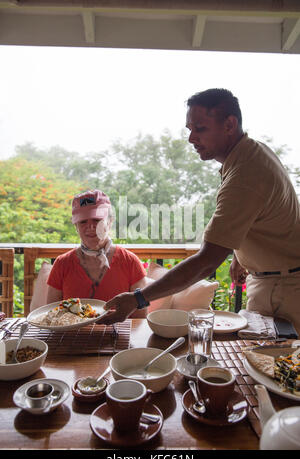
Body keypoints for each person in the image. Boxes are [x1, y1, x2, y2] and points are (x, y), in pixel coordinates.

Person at [102, 88, 300, 334]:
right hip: (275, 281)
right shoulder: (252, 152)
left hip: (282, 290)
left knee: (276, 367)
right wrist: (239, 255)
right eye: (189, 129)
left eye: (200, 129)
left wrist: (138, 298)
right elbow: (256, 214)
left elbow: (207, 261)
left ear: (229, 124)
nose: (191, 138)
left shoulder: (245, 175)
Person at [47, 189, 147, 317]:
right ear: (76, 227)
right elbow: (51, 315)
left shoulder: (130, 261)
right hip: (72, 336)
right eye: (83, 221)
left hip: (117, 335)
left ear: (110, 221)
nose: (90, 226)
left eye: (96, 219)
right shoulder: (62, 264)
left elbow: (140, 316)